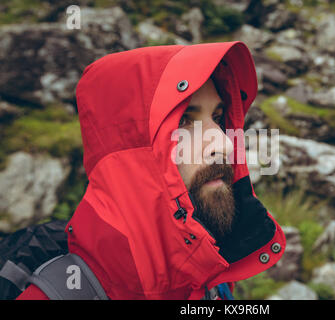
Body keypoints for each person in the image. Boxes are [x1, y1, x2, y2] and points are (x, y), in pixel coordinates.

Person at [17, 41, 286, 300]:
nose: (225, 143)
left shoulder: (213, 272)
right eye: (184, 121)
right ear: (134, 157)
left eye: (217, 118)